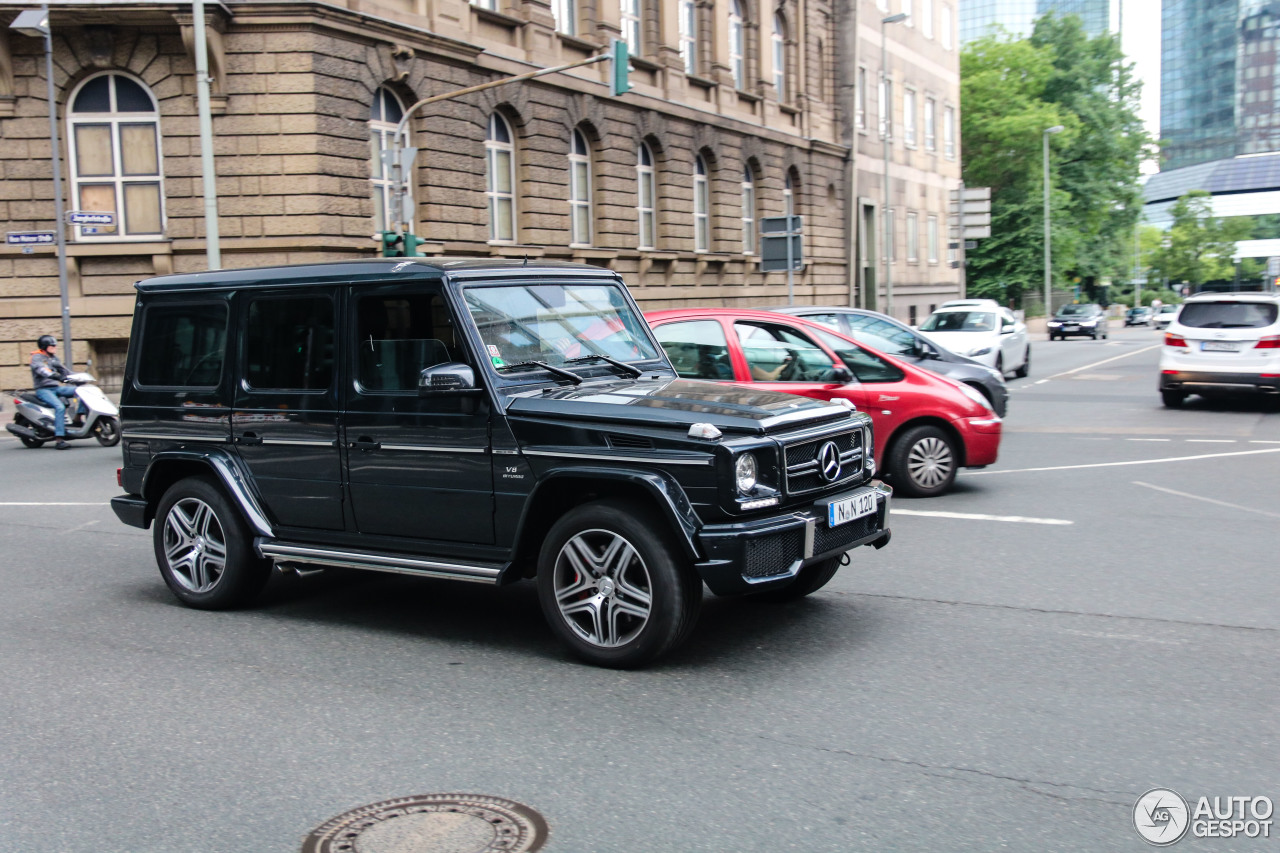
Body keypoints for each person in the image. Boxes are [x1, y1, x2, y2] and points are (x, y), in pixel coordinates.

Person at [30, 335, 84, 449]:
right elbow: (42, 370)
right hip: (43, 390)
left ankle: (77, 419)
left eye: (55, 345)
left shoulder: (53, 358)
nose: (55, 347)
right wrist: (55, 376)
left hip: (56, 388)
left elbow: (65, 371)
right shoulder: (37, 358)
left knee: (83, 392)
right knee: (60, 407)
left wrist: (79, 378)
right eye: (52, 346)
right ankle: (59, 439)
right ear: (45, 347)